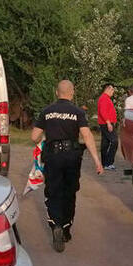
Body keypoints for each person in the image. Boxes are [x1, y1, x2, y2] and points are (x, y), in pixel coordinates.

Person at [31, 80, 104, 252]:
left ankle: (55, 224)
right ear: (72, 93)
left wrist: (45, 138)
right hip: (72, 157)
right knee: (69, 192)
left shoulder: (47, 111)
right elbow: (87, 136)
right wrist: (97, 160)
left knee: (54, 191)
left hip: (53, 156)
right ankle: (65, 230)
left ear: (57, 93)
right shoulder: (78, 112)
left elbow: (34, 136)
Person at [97, 83, 118, 170]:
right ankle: (109, 163)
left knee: (105, 143)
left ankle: (105, 163)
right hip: (106, 123)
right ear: (108, 89)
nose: (113, 92)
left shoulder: (105, 98)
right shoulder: (104, 98)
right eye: (112, 90)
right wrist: (108, 123)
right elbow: (103, 111)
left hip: (105, 123)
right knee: (114, 141)